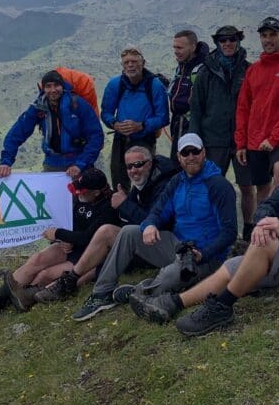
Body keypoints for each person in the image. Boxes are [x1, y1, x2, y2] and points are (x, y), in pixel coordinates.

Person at [129, 127, 279, 336]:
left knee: (262, 245)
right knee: (233, 265)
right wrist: (265, 222)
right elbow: (267, 204)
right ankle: (173, 303)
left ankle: (221, 307)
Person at [69, 133, 237, 322]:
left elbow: (230, 232)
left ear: (203, 153)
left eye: (195, 151)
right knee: (129, 232)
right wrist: (149, 225)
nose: (191, 157)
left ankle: (141, 290)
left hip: (208, 257)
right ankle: (101, 293)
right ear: (179, 157)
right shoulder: (177, 181)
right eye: (185, 153)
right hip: (178, 245)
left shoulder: (218, 185)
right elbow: (158, 212)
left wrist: (203, 254)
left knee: (172, 275)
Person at [28, 144, 180, 310]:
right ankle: (14, 294)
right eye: (129, 166)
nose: (133, 170)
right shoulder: (144, 183)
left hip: (163, 245)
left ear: (150, 164)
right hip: (145, 245)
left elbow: (156, 223)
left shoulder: (164, 184)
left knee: (106, 232)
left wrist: (125, 204)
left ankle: (76, 283)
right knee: (40, 264)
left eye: (138, 165)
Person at [0, 167, 119, 318]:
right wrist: (63, 238)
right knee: (37, 260)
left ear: (96, 192)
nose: (78, 194)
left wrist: (58, 233)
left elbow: (88, 237)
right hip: (72, 246)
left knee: (46, 274)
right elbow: (71, 223)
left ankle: (7, 302)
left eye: (82, 192)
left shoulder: (107, 208)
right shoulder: (82, 200)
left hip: (89, 254)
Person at [234, 16, 279, 239]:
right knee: (261, 187)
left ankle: (278, 224)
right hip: (254, 140)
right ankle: (263, 229)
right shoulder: (254, 70)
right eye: (264, 35)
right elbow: (243, 107)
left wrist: (273, 138)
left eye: (273, 35)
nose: (268, 39)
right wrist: (241, 143)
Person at [189, 24, 253, 225]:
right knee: (211, 184)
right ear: (217, 42)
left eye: (232, 39)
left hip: (243, 139)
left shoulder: (249, 70)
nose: (228, 44)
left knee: (246, 185)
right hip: (213, 138)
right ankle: (212, 225)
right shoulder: (206, 72)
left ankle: (249, 227)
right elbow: (196, 108)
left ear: (238, 41)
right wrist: (195, 141)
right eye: (223, 40)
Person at [0, 69, 104, 179]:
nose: (53, 90)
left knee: (82, 196)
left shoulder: (77, 104)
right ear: (43, 89)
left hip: (78, 162)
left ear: (62, 86)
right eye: (48, 86)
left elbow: (96, 135)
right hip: (52, 164)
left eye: (56, 85)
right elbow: (17, 133)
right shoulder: (39, 107)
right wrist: (6, 161)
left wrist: (80, 164)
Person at [100, 47, 169, 189]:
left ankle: (145, 208)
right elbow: (105, 112)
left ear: (143, 63)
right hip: (120, 139)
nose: (130, 65)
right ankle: (122, 209)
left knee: (145, 180)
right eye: (126, 62)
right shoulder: (115, 84)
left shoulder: (155, 85)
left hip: (145, 140)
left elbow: (163, 117)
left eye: (134, 61)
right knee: (119, 180)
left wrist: (141, 126)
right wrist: (115, 124)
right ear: (122, 66)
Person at [167, 30, 209, 158]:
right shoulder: (182, 66)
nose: (176, 51)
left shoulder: (203, 69)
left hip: (194, 128)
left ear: (193, 47)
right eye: (174, 47)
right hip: (178, 125)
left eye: (180, 47)